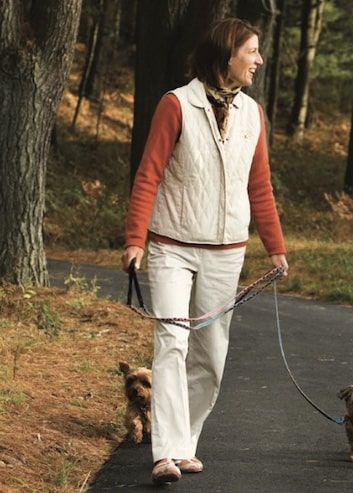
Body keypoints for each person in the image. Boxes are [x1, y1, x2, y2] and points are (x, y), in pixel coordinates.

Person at [121, 17, 289, 485]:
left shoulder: (253, 113)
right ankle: (165, 454)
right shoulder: (176, 104)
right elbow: (149, 174)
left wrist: (275, 247)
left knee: (211, 356)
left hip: (226, 251)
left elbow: (260, 185)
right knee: (172, 343)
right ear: (227, 54)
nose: (258, 60)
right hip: (172, 246)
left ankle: (185, 443)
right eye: (252, 51)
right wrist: (136, 239)